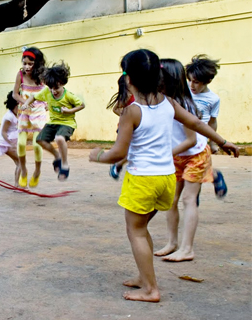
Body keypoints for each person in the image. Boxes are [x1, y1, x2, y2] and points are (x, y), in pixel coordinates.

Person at [88, 49, 238, 302]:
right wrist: (224, 142)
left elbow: (117, 153)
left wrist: (97, 156)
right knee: (141, 228)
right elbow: (198, 124)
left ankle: (151, 289)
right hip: (167, 178)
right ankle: (144, 277)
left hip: (143, 180)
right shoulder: (167, 102)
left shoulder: (132, 112)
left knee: (134, 231)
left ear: (128, 78)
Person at [153, 59, 214, 262]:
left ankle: (187, 248)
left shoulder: (184, 103)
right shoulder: (162, 101)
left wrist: (166, 153)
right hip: (177, 155)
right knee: (171, 201)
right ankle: (172, 243)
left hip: (195, 155)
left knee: (189, 199)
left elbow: (191, 140)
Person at [24, 62, 85, 181]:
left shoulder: (69, 96)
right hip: (52, 123)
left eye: (56, 88)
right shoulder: (47, 92)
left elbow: (81, 105)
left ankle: (65, 164)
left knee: (60, 138)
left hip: (67, 123)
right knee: (40, 140)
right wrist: (26, 103)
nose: (53, 91)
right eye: (51, 88)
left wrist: (69, 111)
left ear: (62, 83)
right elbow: (33, 96)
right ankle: (57, 156)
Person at [186, 54, 228, 199]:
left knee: (194, 172)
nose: (192, 85)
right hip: (182, 137)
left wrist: (213, 142)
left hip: (199, 140)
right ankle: (213, 176)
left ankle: (212, 178)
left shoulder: (213, 99)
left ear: (207, 81)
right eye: (190, 80)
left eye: (196, 82)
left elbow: (212, 122)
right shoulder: (183, 90)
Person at [12, 47, 47, 188]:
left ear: (37, 63)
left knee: (37, 144)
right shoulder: (20, 74)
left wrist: (48, 105)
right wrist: (23, 102)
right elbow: (15, 94)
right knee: (21, 144)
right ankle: (24, 170)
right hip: (25, 110)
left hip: (38, 111)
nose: (26, 66)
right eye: (24, 63)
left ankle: (37, 171)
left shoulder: (43, 75)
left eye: (30, 64)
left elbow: (51, 92)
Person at [106, 75, 133, 180]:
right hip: (126, 128)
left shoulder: (138, 95)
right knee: (130, 151)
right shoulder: (127, 96)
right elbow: (115, 109)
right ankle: (117, 165)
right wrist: (127, 117)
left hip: (135, 128)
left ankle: (118, 165)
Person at [0, 91, 20, 186]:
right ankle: (17, 185)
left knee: (18, 162)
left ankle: (17, 184)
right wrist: (11, 144)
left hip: (7, 142)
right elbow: (3, 132)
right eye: (19, 105)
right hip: (4, 143)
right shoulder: (9, 117)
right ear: (14, 105)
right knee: (20, 162)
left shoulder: (14, 115)